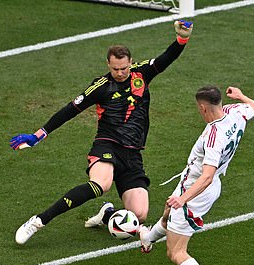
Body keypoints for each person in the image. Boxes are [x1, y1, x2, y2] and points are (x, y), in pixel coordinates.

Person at [10, 20, 194, 245]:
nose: (120, 72)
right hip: (108, 144)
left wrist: (182, 39)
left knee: (139, 215)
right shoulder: (100, 86)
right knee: (101, 185)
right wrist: (38, 135)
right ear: (108, 64)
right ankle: (39, 220)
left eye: (124, 68)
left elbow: (167, 57)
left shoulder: (142, 74)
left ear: (130, 63)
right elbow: (70, 110)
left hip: (133, 153)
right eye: (115, 69)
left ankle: (107, 214)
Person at [138, 86, 254, 265]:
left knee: (176, 252)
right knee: (168, 211)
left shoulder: (214, 136)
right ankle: (148, 238)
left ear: (203, 107)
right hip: (205, 185)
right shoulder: (235, 112)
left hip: (196, 190)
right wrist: (241, 96)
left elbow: (206, 176)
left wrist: (183, 199)